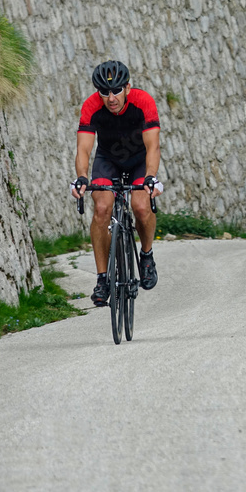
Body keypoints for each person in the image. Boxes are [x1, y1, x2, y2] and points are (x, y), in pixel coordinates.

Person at [71, 60, 163, 307]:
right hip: (108, 160)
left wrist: (150, 176)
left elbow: (153, 146)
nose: (111, 98)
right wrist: (81, 177)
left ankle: (146, 255)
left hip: (139, 162)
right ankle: (103, 279)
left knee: (142, 207)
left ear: (128, 87)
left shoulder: (143, 102)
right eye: (104, 92)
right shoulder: (91, 107)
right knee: (101, 209)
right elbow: (83, 149)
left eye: (116, 91)